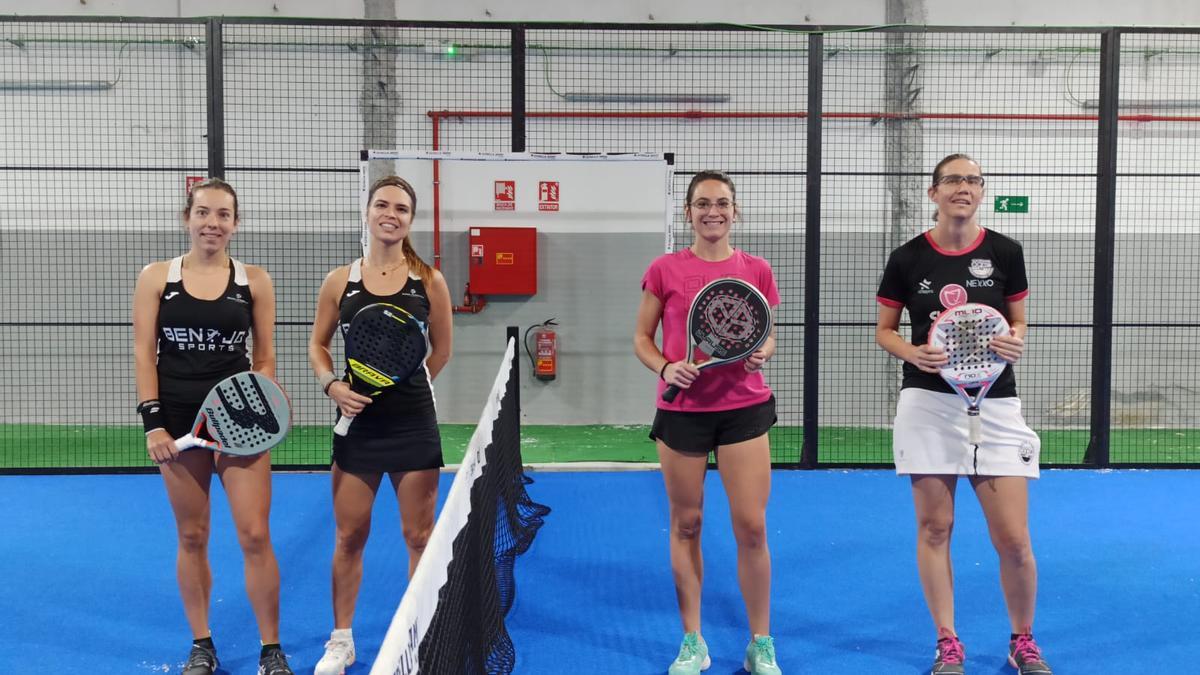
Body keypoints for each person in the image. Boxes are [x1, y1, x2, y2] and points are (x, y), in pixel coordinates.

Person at [875, 154, 1052, 675]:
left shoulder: (1005, 251)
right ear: (934, 193)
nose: (964, 188)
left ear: (981, 193)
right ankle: (947, 643)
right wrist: (912, 352)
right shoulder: (907, 258)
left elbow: (1018, 321)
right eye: (953, 180)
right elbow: (885, 330)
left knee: (1014, 539)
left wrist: (1015, 340)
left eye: (974, 181)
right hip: (928, 404)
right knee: (936, 528)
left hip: (995, 403)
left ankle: (1022, 641)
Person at [132, 178, 293, 675]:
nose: (212, 223)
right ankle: (202, 645)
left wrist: (255, 406)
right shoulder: (157, 277)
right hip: (179, 426)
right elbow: (144, 353)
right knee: (192, 535)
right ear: (187, 218)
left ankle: (271, 650)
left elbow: (264, 358)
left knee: (254, 534)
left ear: (235, 224)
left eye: (223, 215)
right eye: (203, 213)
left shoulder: (254, 281)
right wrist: (153, 424)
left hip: (241, 425)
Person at [633, 170, 782, 675]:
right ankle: (692, 641)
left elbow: (766, 334)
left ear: (735, 211)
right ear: (689, 212)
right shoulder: (664, 269)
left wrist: (762, 353)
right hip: (682, 415)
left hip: (744, 409)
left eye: (721, 203)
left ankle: (761, 642)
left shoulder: (756, 269)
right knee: (687, 524)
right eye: (702, 203)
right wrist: (665, 366)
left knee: (752, 527)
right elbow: (641, 338)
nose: (712, 211)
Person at [309, 175, 453, 675]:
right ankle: (341, 640)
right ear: (368, 212)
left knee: (419, 536)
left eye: (402, 209)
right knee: (350, 536)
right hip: (358, 427)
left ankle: (418, 633)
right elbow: (318, 344)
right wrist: (332, 385)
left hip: (414, 424)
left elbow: (442, 351)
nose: (391, 214)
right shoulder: (339, 281)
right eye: (382, 205)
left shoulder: (429, 281)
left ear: (411, 220)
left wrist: (402, 387)